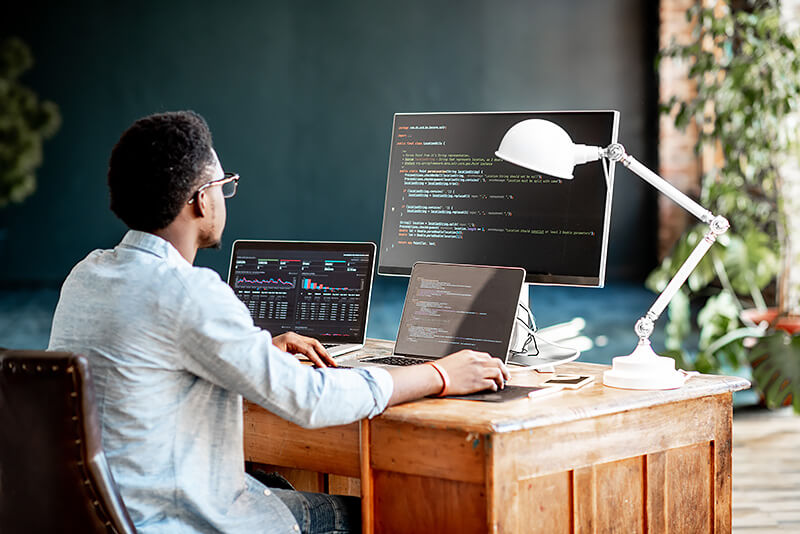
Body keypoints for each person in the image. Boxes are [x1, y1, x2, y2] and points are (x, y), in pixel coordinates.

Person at [48, 110, 509, 534]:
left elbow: (144, 366)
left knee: (273, 484)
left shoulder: (87, 275)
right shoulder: (190, 290)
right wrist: (439, 373)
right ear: (201, 201)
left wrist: (257, 354)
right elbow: (308, 399)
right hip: (177, 519)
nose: (225, 196)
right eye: (223, 185)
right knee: (377, 512)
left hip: (101, 517)